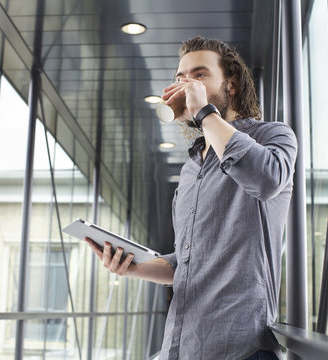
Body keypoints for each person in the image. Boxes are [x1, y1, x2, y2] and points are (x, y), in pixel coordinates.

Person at [85, 36, 297, 360]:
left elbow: (267, 179)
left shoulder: (272, 136)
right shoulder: (190, 169)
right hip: (181, 348)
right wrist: (132, 265)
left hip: (240, 350)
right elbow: (186, 264)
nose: (185, 84)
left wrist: (205, 113)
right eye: (180, 77)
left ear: (232, 84)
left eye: (199, 75)